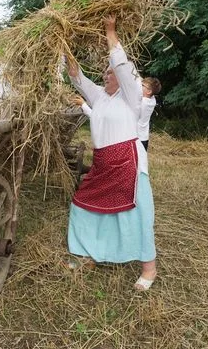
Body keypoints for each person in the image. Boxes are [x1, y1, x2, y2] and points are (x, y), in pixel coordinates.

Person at [66, 15, 157, 291]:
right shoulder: (100, 97)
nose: (105, 75)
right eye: (105, 73)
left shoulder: (131, 97)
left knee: (137, 213)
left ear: (121, 78)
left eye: (109, 72)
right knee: (84, 205)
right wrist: (64, 45)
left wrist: (110, 30)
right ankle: (88, 255)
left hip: (128, 163)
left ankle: (149, 269)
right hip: (103, 163)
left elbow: (120, 62)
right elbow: (77, 77)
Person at [138, 77, 161, 151]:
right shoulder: (152, 99)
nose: (139, 86)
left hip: (138, 138)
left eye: (142, 85)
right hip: (144, 137)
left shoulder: (143, 103)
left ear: (149, 91)